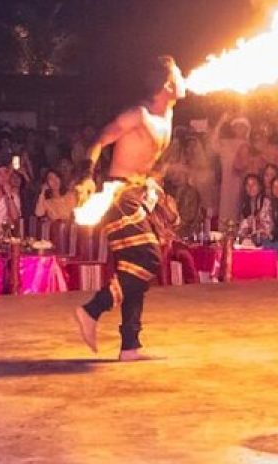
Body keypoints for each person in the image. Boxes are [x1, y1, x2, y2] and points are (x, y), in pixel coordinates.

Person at [73, 55, 186, 361]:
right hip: (119, 197)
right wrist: (85, 176)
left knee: (134, 270)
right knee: (148, 260)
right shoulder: (138, 115)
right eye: (179, 74)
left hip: (138, 195)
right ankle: (92, 310)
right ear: (167, 84)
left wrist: (154, 187)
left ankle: (130, 346)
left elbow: (145, 160)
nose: (184, 78)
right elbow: (99, 140)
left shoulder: (168, 117)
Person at [210, 113, 251, 224]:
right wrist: (221, 122)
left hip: (246, 187)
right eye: (237, 126)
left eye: (243, 126)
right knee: (226, 219)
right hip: (227, 188)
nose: (240, 129)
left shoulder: (251, 146)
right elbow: (213, 144)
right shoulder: (226, 143)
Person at [35, 169, 77, 253]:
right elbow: (39, 213)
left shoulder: (70, 195)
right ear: (46, 183)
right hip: (57, 237)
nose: (54, 181)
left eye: (56, 177)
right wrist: (42, 192)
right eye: (51, 178)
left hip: (72, 235)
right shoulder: (47, 202)